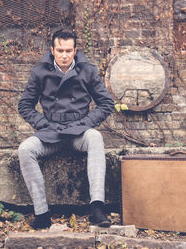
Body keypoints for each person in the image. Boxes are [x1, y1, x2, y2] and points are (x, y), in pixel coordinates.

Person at [17, 28, 115, 229]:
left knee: (95, 137)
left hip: (79, 132)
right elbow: (24, 105)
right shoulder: (39, 72)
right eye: (60, 50)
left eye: (68, 51)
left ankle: (97, 208)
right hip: (51, 133)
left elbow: (106, 103)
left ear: (75, 50)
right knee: (25, 149)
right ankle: (42, 213)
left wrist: (85, 124)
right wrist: (44, 124)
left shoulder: (87, 71)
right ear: (52, 50)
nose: (64, 55)